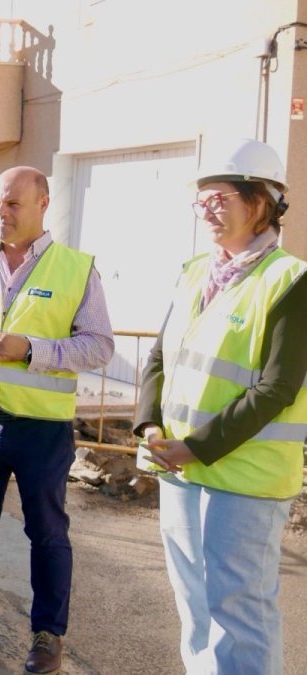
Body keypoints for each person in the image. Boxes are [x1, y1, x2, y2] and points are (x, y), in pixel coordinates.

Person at [0, 166, 114, 674]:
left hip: (41, 428)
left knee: (48, 532)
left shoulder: (76, 268)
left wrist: (29, 349)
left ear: (42, 204)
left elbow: (98, 345)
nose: (1, 213)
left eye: (12, 204)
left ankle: (48, 633)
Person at [133, 138, 307, 674]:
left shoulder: (291, 281)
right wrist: (149, 425)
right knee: (195, 608)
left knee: (239, 613)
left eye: (220, 198)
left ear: (261, 202)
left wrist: (196, 447)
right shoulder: (194, 272)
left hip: (245, 481)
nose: (207, 209)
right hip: (180, 470)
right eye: (201, 199)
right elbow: (161, 356)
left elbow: (277, 387)